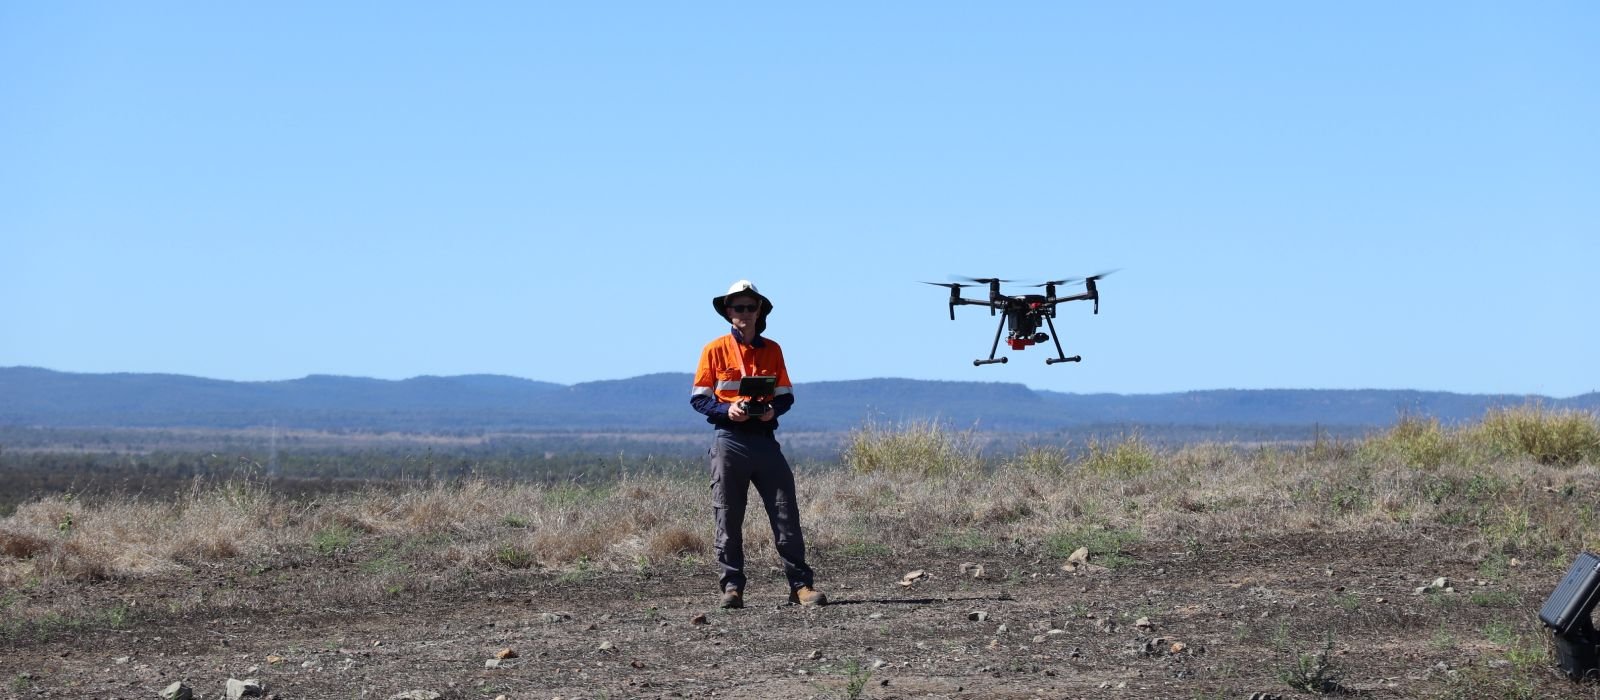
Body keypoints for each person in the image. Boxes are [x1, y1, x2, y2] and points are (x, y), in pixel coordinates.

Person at [691, 280, 826, 609]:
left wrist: (770, 412)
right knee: (728, 516)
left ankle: (801, 586)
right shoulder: (714, 349)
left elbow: (785, 395)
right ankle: (732, 588)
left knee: (785, 513)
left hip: (765, 440)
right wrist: (727, 410)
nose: (745, 313)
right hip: (729, 440)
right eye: (739, 307)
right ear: (728, 312)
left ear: (759, 311)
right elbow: (698, 398)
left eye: (751, 307)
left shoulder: (773, 350)